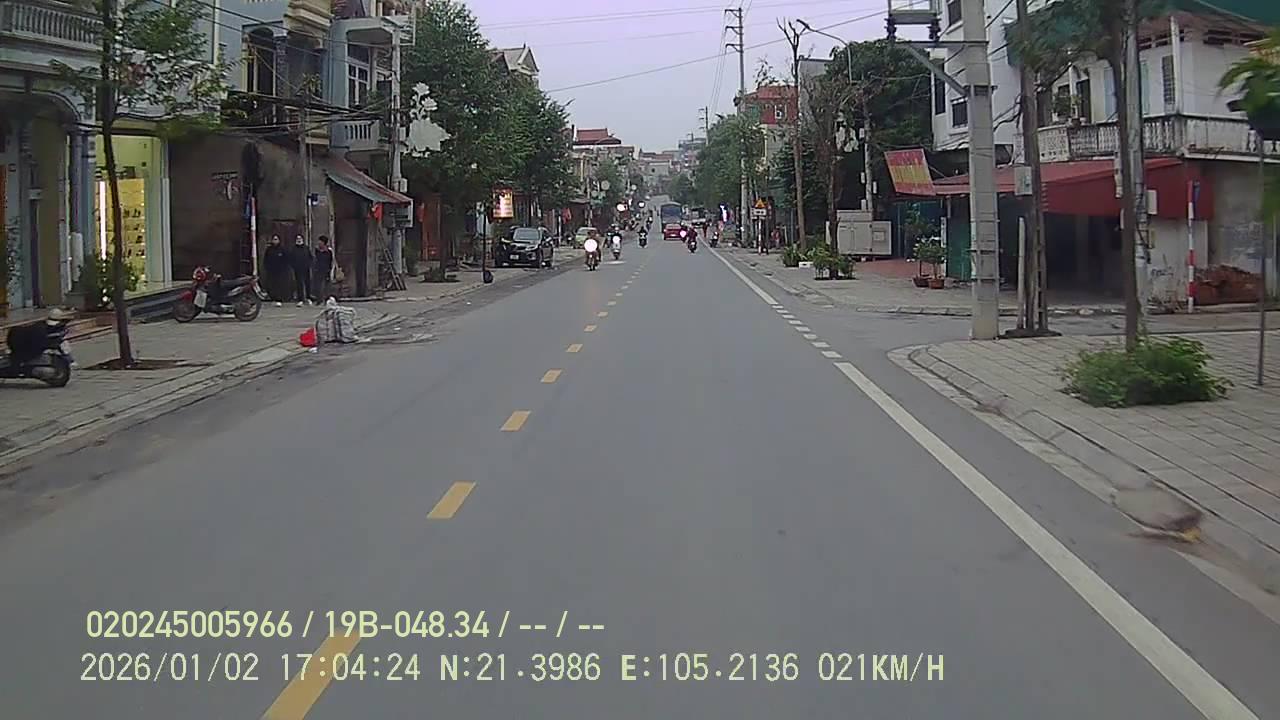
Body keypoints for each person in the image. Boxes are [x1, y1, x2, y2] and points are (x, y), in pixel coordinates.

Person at [263, 234, 290, 306]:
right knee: (271, 285)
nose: (275, 241)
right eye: (274, 239)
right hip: (271, 271)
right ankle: (272, 298)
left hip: (280, 271)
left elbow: (286, 260)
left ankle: (279, 299)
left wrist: (284, 268)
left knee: (279, 285)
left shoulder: (282, 249)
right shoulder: (269, 249)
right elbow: (266, 259)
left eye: (276, 239)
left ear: (279, 240)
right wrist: (267, 267)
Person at [290, 235, 313, 306]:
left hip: (306, 268)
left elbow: (310, 257)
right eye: (297, 238)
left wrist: (309, 265)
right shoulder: (294, 249)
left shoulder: (306, 248)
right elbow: (291, 259)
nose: (299, 240)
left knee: (307, 283)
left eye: (300, 238)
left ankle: (308, 297)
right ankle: (300, 299)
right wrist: (294, 266)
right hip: (297, 269)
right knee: (299, 284)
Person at [313, 236, 335, 303]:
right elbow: (315, 259)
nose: (319, 243)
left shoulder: (329, 251)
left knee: (325, 286)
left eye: (320, 242)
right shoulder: (317, 251)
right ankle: (319, 299)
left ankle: (325, 299)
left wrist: (330, 270)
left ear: (324, 243)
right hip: (318, 270)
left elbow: (330, 261)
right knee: (318, 285)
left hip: (326, 270)